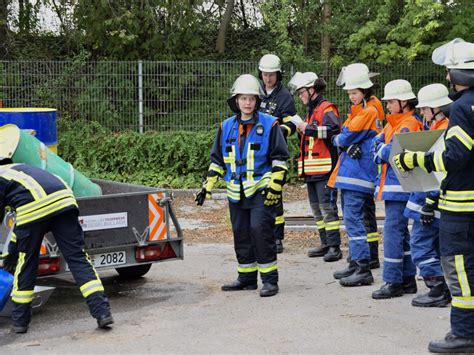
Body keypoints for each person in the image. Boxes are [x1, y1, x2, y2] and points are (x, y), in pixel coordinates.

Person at [393, 39, 474, 353]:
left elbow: (454, 157)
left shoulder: (464, 109)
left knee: (460, 271)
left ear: (457, 74)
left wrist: (416, 159)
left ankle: (465, 333)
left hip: (460, 208)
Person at [195, 74, 289, 297]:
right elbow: (217, 160)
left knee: (260, 231)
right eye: (243, 98)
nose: (248, 103)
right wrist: (207, 185)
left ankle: (269, 280)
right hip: (235, 192)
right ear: (236, 100)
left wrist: (276, 184)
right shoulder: (226, 126)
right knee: (241, 233)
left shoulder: (270, 124)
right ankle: (246, 278)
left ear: (257, 101)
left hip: (261, 190)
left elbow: (280, 158)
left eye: (252, 99)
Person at [0, 161, 113, 333]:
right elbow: (20, 226)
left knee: (27, 262)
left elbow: (15, 218)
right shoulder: (21, 170)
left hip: (33, 207)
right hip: (64, 201)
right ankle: (102, 313)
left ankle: (20, 322)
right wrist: (11, 252)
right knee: (77, 258)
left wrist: (12, 256)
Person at [328, 63, 383, 286]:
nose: (351, 97)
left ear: (364, 91)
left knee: (353, 219)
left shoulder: (368, 111)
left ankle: (362, 267)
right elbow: (344, 135)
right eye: (349, 93)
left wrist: (342, 141)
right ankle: (357, 261)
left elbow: (343, 136)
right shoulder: (366, 109)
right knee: (359, 218)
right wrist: (343, 140)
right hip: (358, 172)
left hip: (356, 174)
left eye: (354, 93)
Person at [371, 79, 423, 299]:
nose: (388, 105)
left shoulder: (409, 123)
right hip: (393, 186)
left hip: (401, 187)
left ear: (403, 102)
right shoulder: (393, 122)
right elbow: (377, 144)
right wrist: (382, 149)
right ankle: (408, 280)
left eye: (391, 101)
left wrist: (382, 150)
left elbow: (390, 153)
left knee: (393, 234)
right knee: (401, 235)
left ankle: (393, 281)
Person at [403, 84, 452, 308]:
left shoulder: (442, 131)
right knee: (438, 246)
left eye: (425, 109)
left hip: (431, 200)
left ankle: (437, 288)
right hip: (432, 199)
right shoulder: (440, 127)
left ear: (438, 108)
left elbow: (439, 171)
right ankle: (444, 287)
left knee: (421, 244)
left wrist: (430, 203)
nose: (421, 113)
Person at [288, 71, 342, 262]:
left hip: (325, 168)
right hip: (312, 169)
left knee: (327, 208)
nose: (300, 96)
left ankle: (335, 247)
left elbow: (334, 131)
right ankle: (325, 243)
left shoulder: (327, 108)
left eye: (302, 92)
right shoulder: (311, 112)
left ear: (312, 90)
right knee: (317, 209)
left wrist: (307, 128)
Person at [258, 54, 297, 253]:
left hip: (275, 151)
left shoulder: (284, 97)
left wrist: (281, 130)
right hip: (256, 152)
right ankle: (261, 234)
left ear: (277, 75)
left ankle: (277, 237)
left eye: (271, 74)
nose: (267, 78)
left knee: (275, 194)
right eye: (264, 74)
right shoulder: (255, 92)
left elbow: (293, 124)